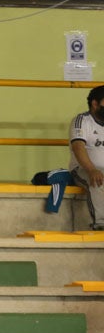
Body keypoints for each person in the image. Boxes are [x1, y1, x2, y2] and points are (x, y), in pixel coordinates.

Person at [69, 84, 104, 230]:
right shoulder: (82, 121)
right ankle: (100, 224)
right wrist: (91, 170)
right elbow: (78, 147)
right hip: (82, 169)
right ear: (95, 104)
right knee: (97, 181)